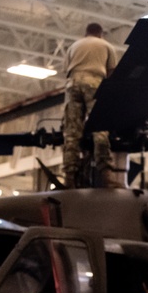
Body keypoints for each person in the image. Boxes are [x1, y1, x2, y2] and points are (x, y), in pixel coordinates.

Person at [62, 22, 117, 188]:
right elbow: (111, 72)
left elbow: (66, 70)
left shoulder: (74, 46)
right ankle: (106, 174)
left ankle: (69, 176)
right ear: (101, 33)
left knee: (72, 132)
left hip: (73, 84)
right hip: (94, 83)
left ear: (86, 33)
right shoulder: (106, 46)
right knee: (100, 128)